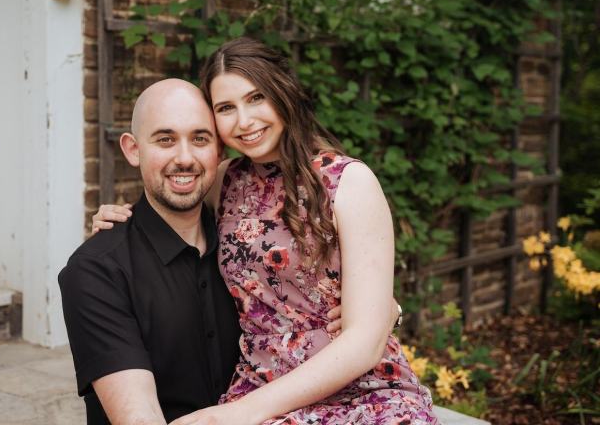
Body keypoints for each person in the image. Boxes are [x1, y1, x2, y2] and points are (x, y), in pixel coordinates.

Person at [93, 38, 437, 424]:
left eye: (256, 98)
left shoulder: (348, 182)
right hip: (260, 382)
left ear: (283, 92)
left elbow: (365, 343)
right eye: (226, 108)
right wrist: (120, 219)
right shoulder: (223, 182)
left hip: (360, 389)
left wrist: (231, 415)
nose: (244, 121)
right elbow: (169, 202)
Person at [59, 79, 360, 424]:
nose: (184, 158)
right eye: (165, 140)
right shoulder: (96, 272)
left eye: (200, 139)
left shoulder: (246, 247)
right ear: (132, 149)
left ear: (219, 150)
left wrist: (381, 310)